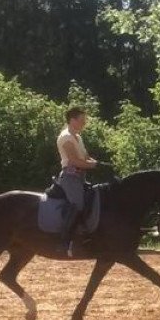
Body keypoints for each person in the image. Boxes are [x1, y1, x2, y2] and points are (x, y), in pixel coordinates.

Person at [56, 106, 98, 256]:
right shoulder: (66, 137)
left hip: (80, 177)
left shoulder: (78, 137)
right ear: (72, 120)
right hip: (70, 177)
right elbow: (74, 161)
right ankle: (64, 242)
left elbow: (85, 157)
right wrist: (94, 165)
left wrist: (99, 163)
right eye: (82, 120)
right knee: (78, 204)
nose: (84, 123)